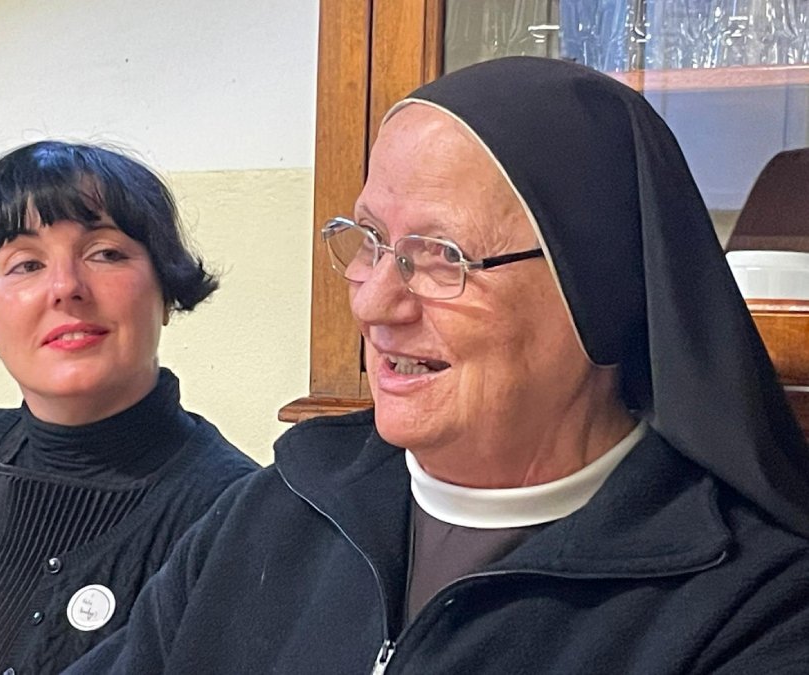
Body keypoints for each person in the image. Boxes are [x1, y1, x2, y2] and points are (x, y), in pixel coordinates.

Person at [67, 57, 809, 674]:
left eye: (441, 256)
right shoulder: (274, 510)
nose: (374, 303)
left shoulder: (755, 604)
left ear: (600, 287)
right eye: (368, 240)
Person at [0, 141, 257, 674]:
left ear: (165, 290)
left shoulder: (238, 516)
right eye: (26, 264)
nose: (66, 288)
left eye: (106, 254)